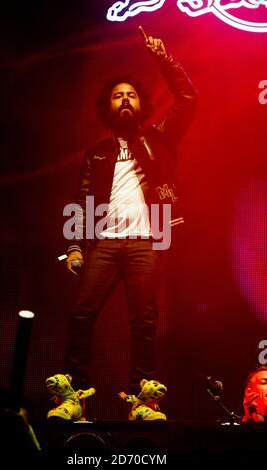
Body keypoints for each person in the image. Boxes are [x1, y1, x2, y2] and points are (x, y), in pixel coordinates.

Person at [63, 28, 197, 394]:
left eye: (132, 95)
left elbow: (188, 98)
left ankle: (142, 395)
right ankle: (73, 392)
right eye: (118, 96)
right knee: (81, 314)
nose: (125, 100)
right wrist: (75, 244)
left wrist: (164, 60)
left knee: (144, 322)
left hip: (147, 242)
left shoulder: (158, 138)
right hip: (104, 244)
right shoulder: (97, 154)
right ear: (108, 107)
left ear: (141, 105)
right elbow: (82, 197)